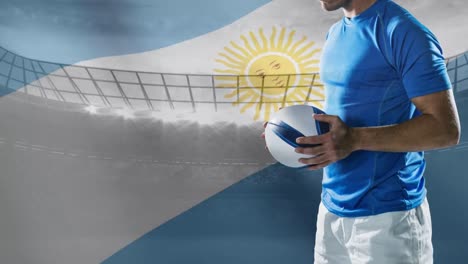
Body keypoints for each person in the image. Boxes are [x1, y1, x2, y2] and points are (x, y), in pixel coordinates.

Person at [262, 0, 460, 263]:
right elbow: (349, 111)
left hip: (388, 217)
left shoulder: (403, 32)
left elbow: (445, 129)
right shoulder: (335, 33)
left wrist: (355, 139)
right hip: (332, 211)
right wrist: (287, 131)